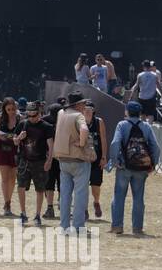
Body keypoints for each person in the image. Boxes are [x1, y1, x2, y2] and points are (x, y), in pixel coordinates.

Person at [105, 100, 160, 235]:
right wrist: (153, 163)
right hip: (141, 167)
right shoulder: (146, 126)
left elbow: (116, 142)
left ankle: (117, 226)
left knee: (119, 196)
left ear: (127, 112)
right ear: (140, 113)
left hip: (124, 166)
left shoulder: (122, 125)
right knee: (138, 198)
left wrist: (114, 160)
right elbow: (156, 147)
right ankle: (137, 228)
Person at [53, 92, 93, 234]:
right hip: (78, 159)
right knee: (80, 194)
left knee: (65, 194)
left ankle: (64, 226)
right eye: (83, 103)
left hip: (63, 158)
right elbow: (84, 129)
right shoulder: (79, 116)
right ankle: (78, 227)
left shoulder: (60, 113)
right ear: (77, 105)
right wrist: (82, 144)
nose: (84, 106)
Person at [15, 101, 53, 226]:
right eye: (29, 115)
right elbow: (15, 142)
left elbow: (50, 145)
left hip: (40, 161)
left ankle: (37, 214)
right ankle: (23, 213)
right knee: (20, 186)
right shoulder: (22, 124)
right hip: (24, 160)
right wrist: (19, 137)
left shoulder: (46, 126)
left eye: (34, 115)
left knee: (40, 188)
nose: (31, 118)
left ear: (39, 113)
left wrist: (49, 160)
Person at [0, 98, 20, 217]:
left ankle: (9, 200)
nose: (11, 111)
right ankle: (6, 203)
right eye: (9, 109)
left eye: (13, 109)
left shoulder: (19, 118)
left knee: (13, 178)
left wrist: (9, 136)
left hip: (15, 150)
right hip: (2, 149)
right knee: (5, 178)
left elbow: (22, 135)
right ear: (4, 108)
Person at [84, 100, 109, 220]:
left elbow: (103, 140)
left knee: (95, 185)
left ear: (93, 111)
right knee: (82, 185)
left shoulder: (99, 122)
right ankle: (83, 209)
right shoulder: (79, 121)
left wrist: (104, 157)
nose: (87, 111)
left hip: (96, 157)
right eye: (85, 109)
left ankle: (96, 202)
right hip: (82, 158)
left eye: (90, 109)